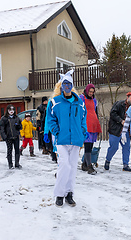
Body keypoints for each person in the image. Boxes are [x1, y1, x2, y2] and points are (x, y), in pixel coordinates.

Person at [46, 69, 87, 207]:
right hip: (61, 139)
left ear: (72, 85)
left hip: (75, 140)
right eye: (64, 84)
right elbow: (50, 119)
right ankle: (59, 194)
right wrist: (56, 131)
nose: (67, 86)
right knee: (65, 165)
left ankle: (69, 193)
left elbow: (83, 119)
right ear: (61, 86)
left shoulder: (79, 103)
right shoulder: (55, 102)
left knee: (73, 167)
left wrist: (83, 131)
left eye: (69, 84)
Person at [104, 91, 131, 172]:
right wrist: (121, 120)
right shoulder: (119, 104)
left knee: (126, 148)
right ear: (127, 97)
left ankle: (125, 165)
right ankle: (107, 160)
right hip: (116, 130)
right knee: (114, 147)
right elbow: (113, 113)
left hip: (127, 132)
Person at [79, 83, 102, 175]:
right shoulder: (81, 98)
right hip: (86, 123)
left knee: (91, 145)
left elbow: (95, 111)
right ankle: (89, 166)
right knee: (87, 145)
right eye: (90, 91)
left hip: (93, 123)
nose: (91, 93)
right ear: (86, 90)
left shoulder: (94, 100)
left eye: (93, 92)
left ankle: (84, 164)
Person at [0, 105, 22, 169]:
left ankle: (17, 163)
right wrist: (4, 136)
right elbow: (1, 128)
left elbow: (20, 126)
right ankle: (10, 164)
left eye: (12, 110)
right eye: (10, 110)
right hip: (8, 137)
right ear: (7, 111)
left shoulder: (16, 118)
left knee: (17, 150)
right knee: (9, 150)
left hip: (16, 136)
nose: (11, 111)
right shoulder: (4, 118)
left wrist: (18, 127)